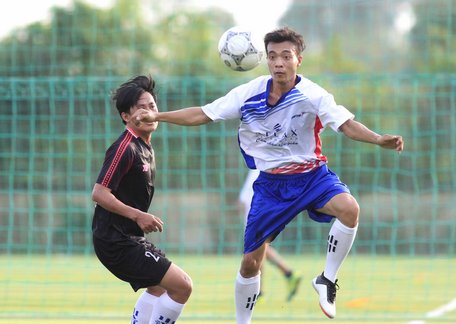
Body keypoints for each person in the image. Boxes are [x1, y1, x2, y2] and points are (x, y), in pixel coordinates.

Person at [134, 27, 404, 322]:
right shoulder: (249, 93)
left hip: (312, 176)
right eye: (273, 56)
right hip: (270, 185)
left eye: (285, 56)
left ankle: (327, 279)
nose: (278, 63)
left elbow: (346, 124)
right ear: (266, 60)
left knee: (350, 208)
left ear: (298, 59)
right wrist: (158, 116)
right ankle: (242, 321)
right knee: (251, 263)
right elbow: (204, 113)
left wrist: (378, 139)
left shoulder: (313, 94)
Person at [91, 75, 193, 324]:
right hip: (114, 240)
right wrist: (138, 215)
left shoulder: (144, 147)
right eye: (141, 108)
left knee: (157, 288)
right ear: (126, 116)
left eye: (152, 106)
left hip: (127, 237)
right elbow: (99, 193)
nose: (149, 112)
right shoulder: (124, 147)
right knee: (182, 286)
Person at [239, 169, 302, 302]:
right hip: (264, 211)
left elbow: (245, 199)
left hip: (256, 213)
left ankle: (287, 274)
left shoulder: (260, 168)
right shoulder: (264, 168)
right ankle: (261, 290)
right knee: (260, 250)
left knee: (256, 250)